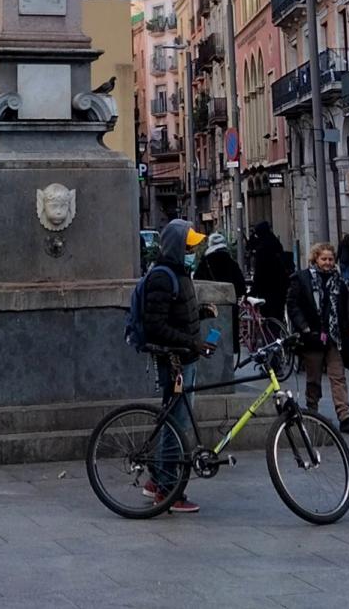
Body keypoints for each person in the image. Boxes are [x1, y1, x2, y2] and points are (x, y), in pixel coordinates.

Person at [138, 219, 210, 515]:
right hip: (175, 360)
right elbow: (155, 325)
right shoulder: (163, 276)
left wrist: (202, 313)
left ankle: (157, 480)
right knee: (176, 424)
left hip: (185, 357)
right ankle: (169, 490)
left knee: (173, 420)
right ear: (176, 246)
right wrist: (190, 342)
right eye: (189, 245)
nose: (193, 249)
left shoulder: (180, 274)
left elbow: (174, 313)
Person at [286, 242, 349, 433]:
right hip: (312, 337)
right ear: (315, 259)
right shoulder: (302, 279)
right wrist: (304, 327)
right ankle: (312, 411)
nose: (327, 263)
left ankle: (345, 415)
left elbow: (345, 307)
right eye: (323, 259)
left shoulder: (339, 282)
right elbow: (293, 305)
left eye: (330, 259)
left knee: (338, 376)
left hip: (334, 338)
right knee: (314, 378)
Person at [246, 221, 291, 324]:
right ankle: (280, 334)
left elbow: (260, 273)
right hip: (281, 287)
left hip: (266, 289)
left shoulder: (262, 249)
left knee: (267, 317)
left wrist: (253, 291)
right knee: (278, 315)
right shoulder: (276, 244)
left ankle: (270, 337)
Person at [196, 231, 246, 304]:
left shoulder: (205, 263)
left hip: (210, 305)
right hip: (229, 304)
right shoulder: (232, 263)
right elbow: (241, 287)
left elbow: (197, 282)